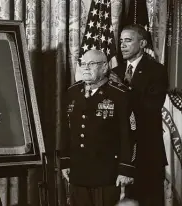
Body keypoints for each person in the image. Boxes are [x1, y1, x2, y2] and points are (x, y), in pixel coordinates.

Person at [60, 49, 135, 206]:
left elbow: (128, 134)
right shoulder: (73, 92)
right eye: (83, 63)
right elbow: (66, 130)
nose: (86, 68)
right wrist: (65, 161)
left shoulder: (120, 94)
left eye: (92, 64)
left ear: (104, 67)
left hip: (107, 173)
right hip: (78, 171)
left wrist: (126, 168)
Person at [112, 24, 168, 206]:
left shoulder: (157, 71)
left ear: (142, 43)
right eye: (121, 41)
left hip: (148, 153)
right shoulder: (115, 72)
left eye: (128, 40)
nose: (122, 45)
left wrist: (121, 89)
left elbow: (151, 107)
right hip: (120, 155)